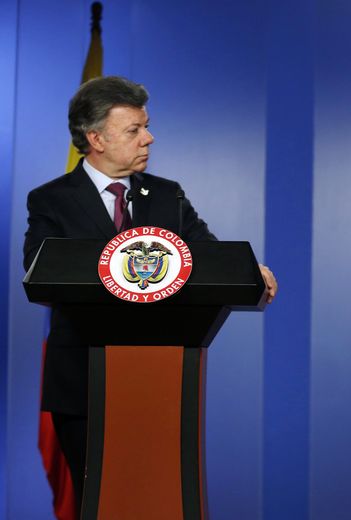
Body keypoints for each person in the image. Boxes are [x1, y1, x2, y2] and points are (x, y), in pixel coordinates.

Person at [23, 76, 278, 512]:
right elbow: (38, 270)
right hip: (82, 383)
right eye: (134, 130)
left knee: (156, 500)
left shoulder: (166, 194)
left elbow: (207, 253)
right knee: (101, 502)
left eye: (147, 126)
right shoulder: (51, 200)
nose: (149, 137)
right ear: (96, 138)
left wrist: (246, 270)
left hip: (160, 380)